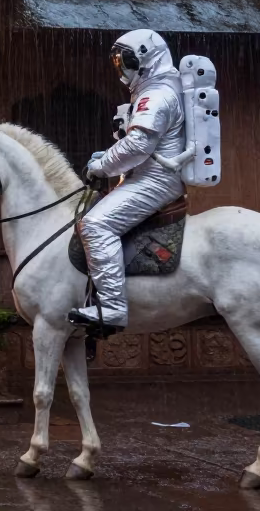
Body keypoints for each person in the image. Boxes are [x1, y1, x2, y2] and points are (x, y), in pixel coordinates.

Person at [70, 29, 186, 331]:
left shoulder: (155, 95)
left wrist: (100, 167)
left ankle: (111, 309)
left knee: (95, 225)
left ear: (147, 60)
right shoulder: (155, 89)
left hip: (155, 181)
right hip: (147, 175)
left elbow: (137, 147)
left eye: (127, 61)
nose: (121, 68)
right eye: (118, 61)